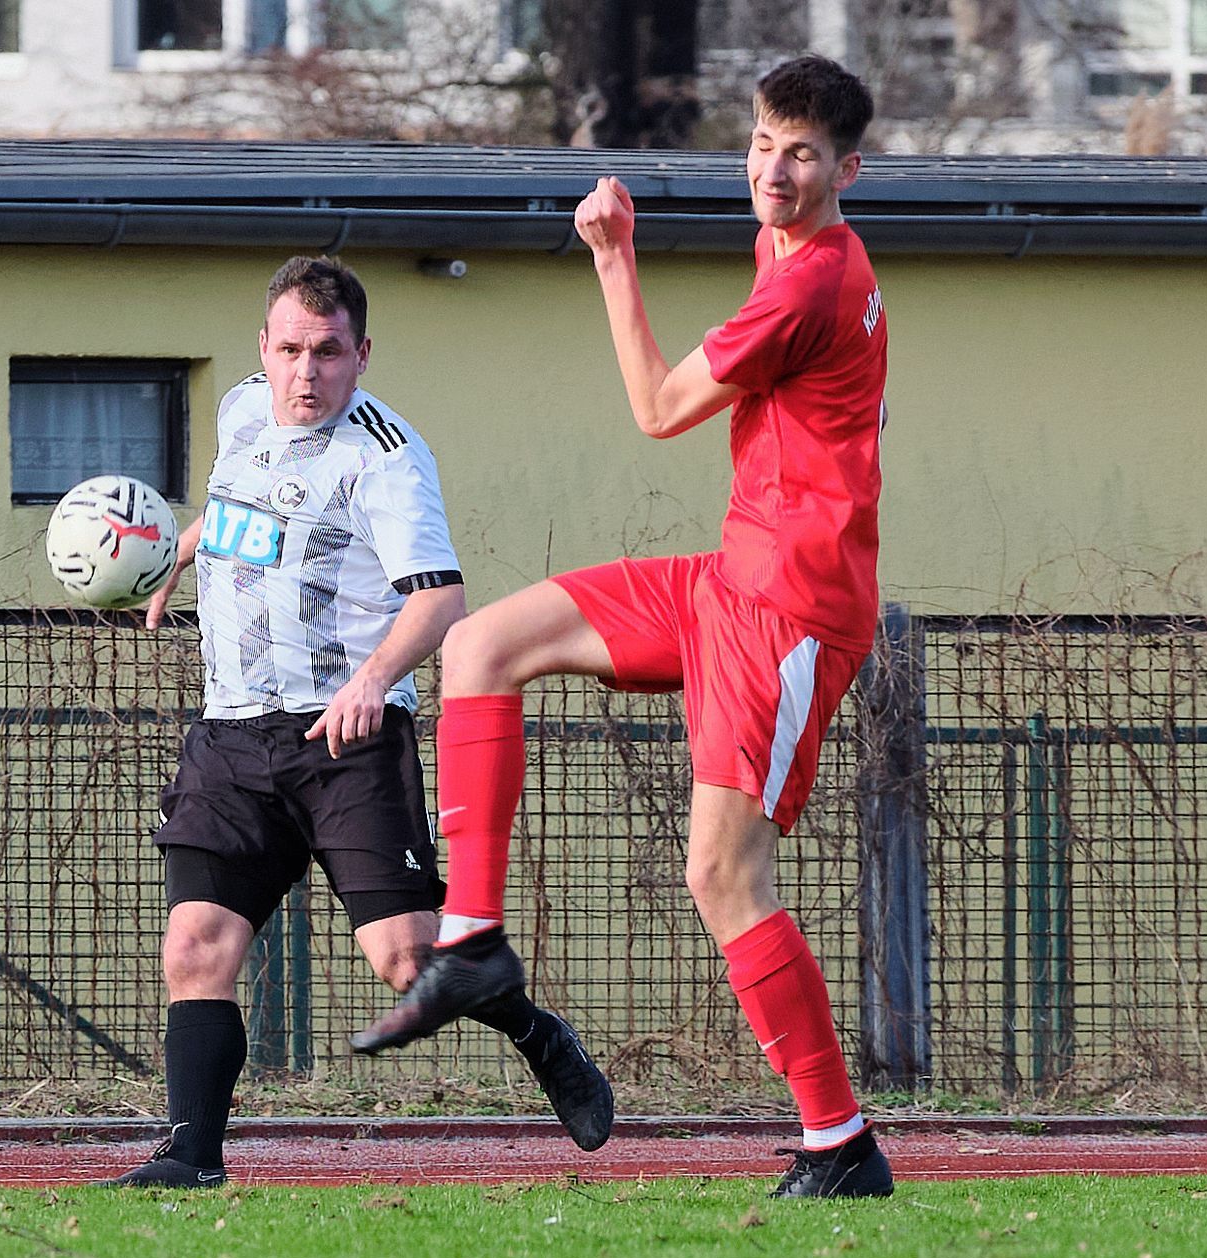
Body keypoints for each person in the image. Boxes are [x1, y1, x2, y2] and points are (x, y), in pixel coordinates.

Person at [352, 57, 894, 1199]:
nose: (774, 171)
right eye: (762, 144)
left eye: (802, 154)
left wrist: (611, 255)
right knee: (481, 645)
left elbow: (656, 409)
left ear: (847, 170)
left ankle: (840, 1142)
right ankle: (474, 940)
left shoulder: (809, 283)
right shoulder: (790, 249)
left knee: (722, 874)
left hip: (790, 609)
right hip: (730, 576)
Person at [101, 256, 614, 1188]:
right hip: (231, 734)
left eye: (329, 353)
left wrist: (374, 678)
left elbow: (441, 600)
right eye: (291, 349)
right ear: (263, 347)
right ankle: (192, 1158)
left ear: (362, 354)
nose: (308, 372)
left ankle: (535, 1030)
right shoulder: (242, 410)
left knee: (406, 960)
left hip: (346, 742)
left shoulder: (386, 458)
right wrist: (175, 553)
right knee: (195, 945)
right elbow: (234, 509)